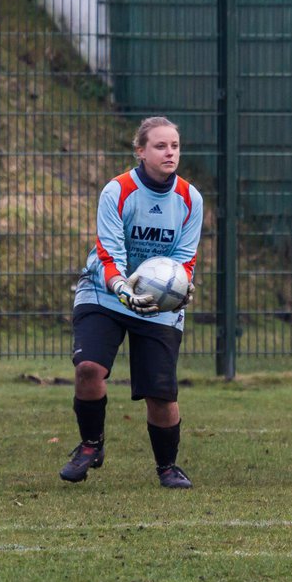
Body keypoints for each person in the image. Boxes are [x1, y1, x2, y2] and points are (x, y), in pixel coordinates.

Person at [62, 116, 203, 488]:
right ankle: (91, 445)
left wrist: (182, 286)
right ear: (140, 151)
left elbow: (183, 259)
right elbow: (109, 254)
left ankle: (168, 467)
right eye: (160, 146)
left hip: (157, 304)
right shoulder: (118, 191)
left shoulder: (190, 198)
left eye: (174, 146)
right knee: (89, 368)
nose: (169, 152)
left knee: (160, 394)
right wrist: (123, 289)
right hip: (104, 293)